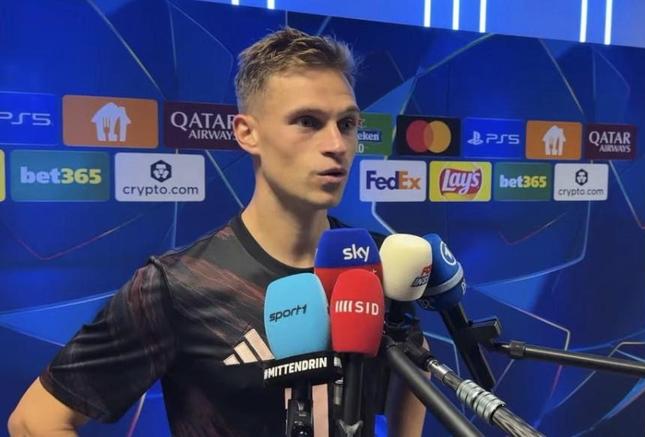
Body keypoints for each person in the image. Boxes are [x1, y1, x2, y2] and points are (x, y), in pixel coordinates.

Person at [8, 27, 426, 436]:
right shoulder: (178, 285)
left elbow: (413, 374)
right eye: (307, 121)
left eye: (347, 123)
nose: (336, 144)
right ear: (248, 133)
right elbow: (33, 421)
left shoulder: (378, 264)